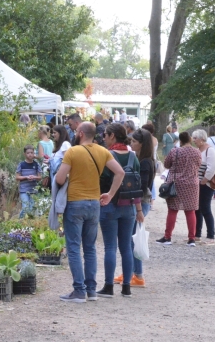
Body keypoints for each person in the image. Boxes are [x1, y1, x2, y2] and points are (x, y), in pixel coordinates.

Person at [55, 122, 124, 303]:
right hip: (94, 203)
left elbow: (60, 178)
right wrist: (110, 194)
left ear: (80, 133)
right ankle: (91, 290)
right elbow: (120, 172)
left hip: (75, 202)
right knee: (90, 248)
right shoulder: (103, 152)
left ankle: (79, 291)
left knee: (74, 247)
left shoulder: (73, 152)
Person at [96, 124, 144, 298]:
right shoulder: (133, 157)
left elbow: (101, 180)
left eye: (105, 135)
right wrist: (139, 210)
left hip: (109, 205)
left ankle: (108, 286)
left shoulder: (108, 156)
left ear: (113, 136)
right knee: (126, 248)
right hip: (129, 206)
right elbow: (138, 185)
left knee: (110, 247)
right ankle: (126, 287)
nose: (103, 138)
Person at [113, 128, 155, 288]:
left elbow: (142, 186)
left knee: (132, 240)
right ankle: (131, 272)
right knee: (132, 238)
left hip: (140, 201)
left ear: (142, 144)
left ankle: (136, 274)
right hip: (140, 201)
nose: (131, 144)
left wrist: (136, 206)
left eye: (134, 142)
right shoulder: (142, 159)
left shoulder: (144, 162)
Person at [155, 132, 202, 246]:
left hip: (176, 184)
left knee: (172, 210)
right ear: (190, 139)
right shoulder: (197, 152)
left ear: (179, 140)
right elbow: (199, 165)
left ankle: (167, 237)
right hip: (192, 184)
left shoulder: (175, 151)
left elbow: (166, 165)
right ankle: (191, 239)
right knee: (190, 211)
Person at [192, 129, 215, 245]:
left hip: (206, 184)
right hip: (198, 183)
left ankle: (211, 236)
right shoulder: (199, 150)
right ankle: (197, 234)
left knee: (205, 208)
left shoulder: (210, 150)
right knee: (197, 209)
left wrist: (204, 180)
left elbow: (212, 167)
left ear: (202, 139)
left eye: (195, 138)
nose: (194, 141)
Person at [16, 145, 42, 218]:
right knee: (25, 208)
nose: (30, 154)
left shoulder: (36, 164)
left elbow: (40, 177)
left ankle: (29, 225)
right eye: (28, 153)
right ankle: (19, 222)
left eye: (32, 152)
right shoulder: (21, 164)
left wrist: (35, 177)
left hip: (33, 190)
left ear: (34, 153)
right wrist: (26, 177)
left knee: (32, 209)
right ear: (24, 154)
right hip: (24, 189)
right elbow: (17, 177)